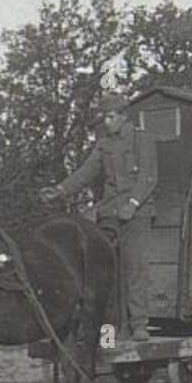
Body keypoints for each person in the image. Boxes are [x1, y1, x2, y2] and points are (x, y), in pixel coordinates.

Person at [40, 91, 158, 340]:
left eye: (111, 116)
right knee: (104, 270)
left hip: (137, 214)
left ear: (124, 116)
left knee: (135, 268)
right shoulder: (104, 145)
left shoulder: (142, 139)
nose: (107, 122)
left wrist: (134, 203)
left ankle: (139, 324)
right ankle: (109, 325)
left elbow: (149, 176)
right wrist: (60, 190)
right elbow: (86, 172)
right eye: (104, 117)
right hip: (110, 213)